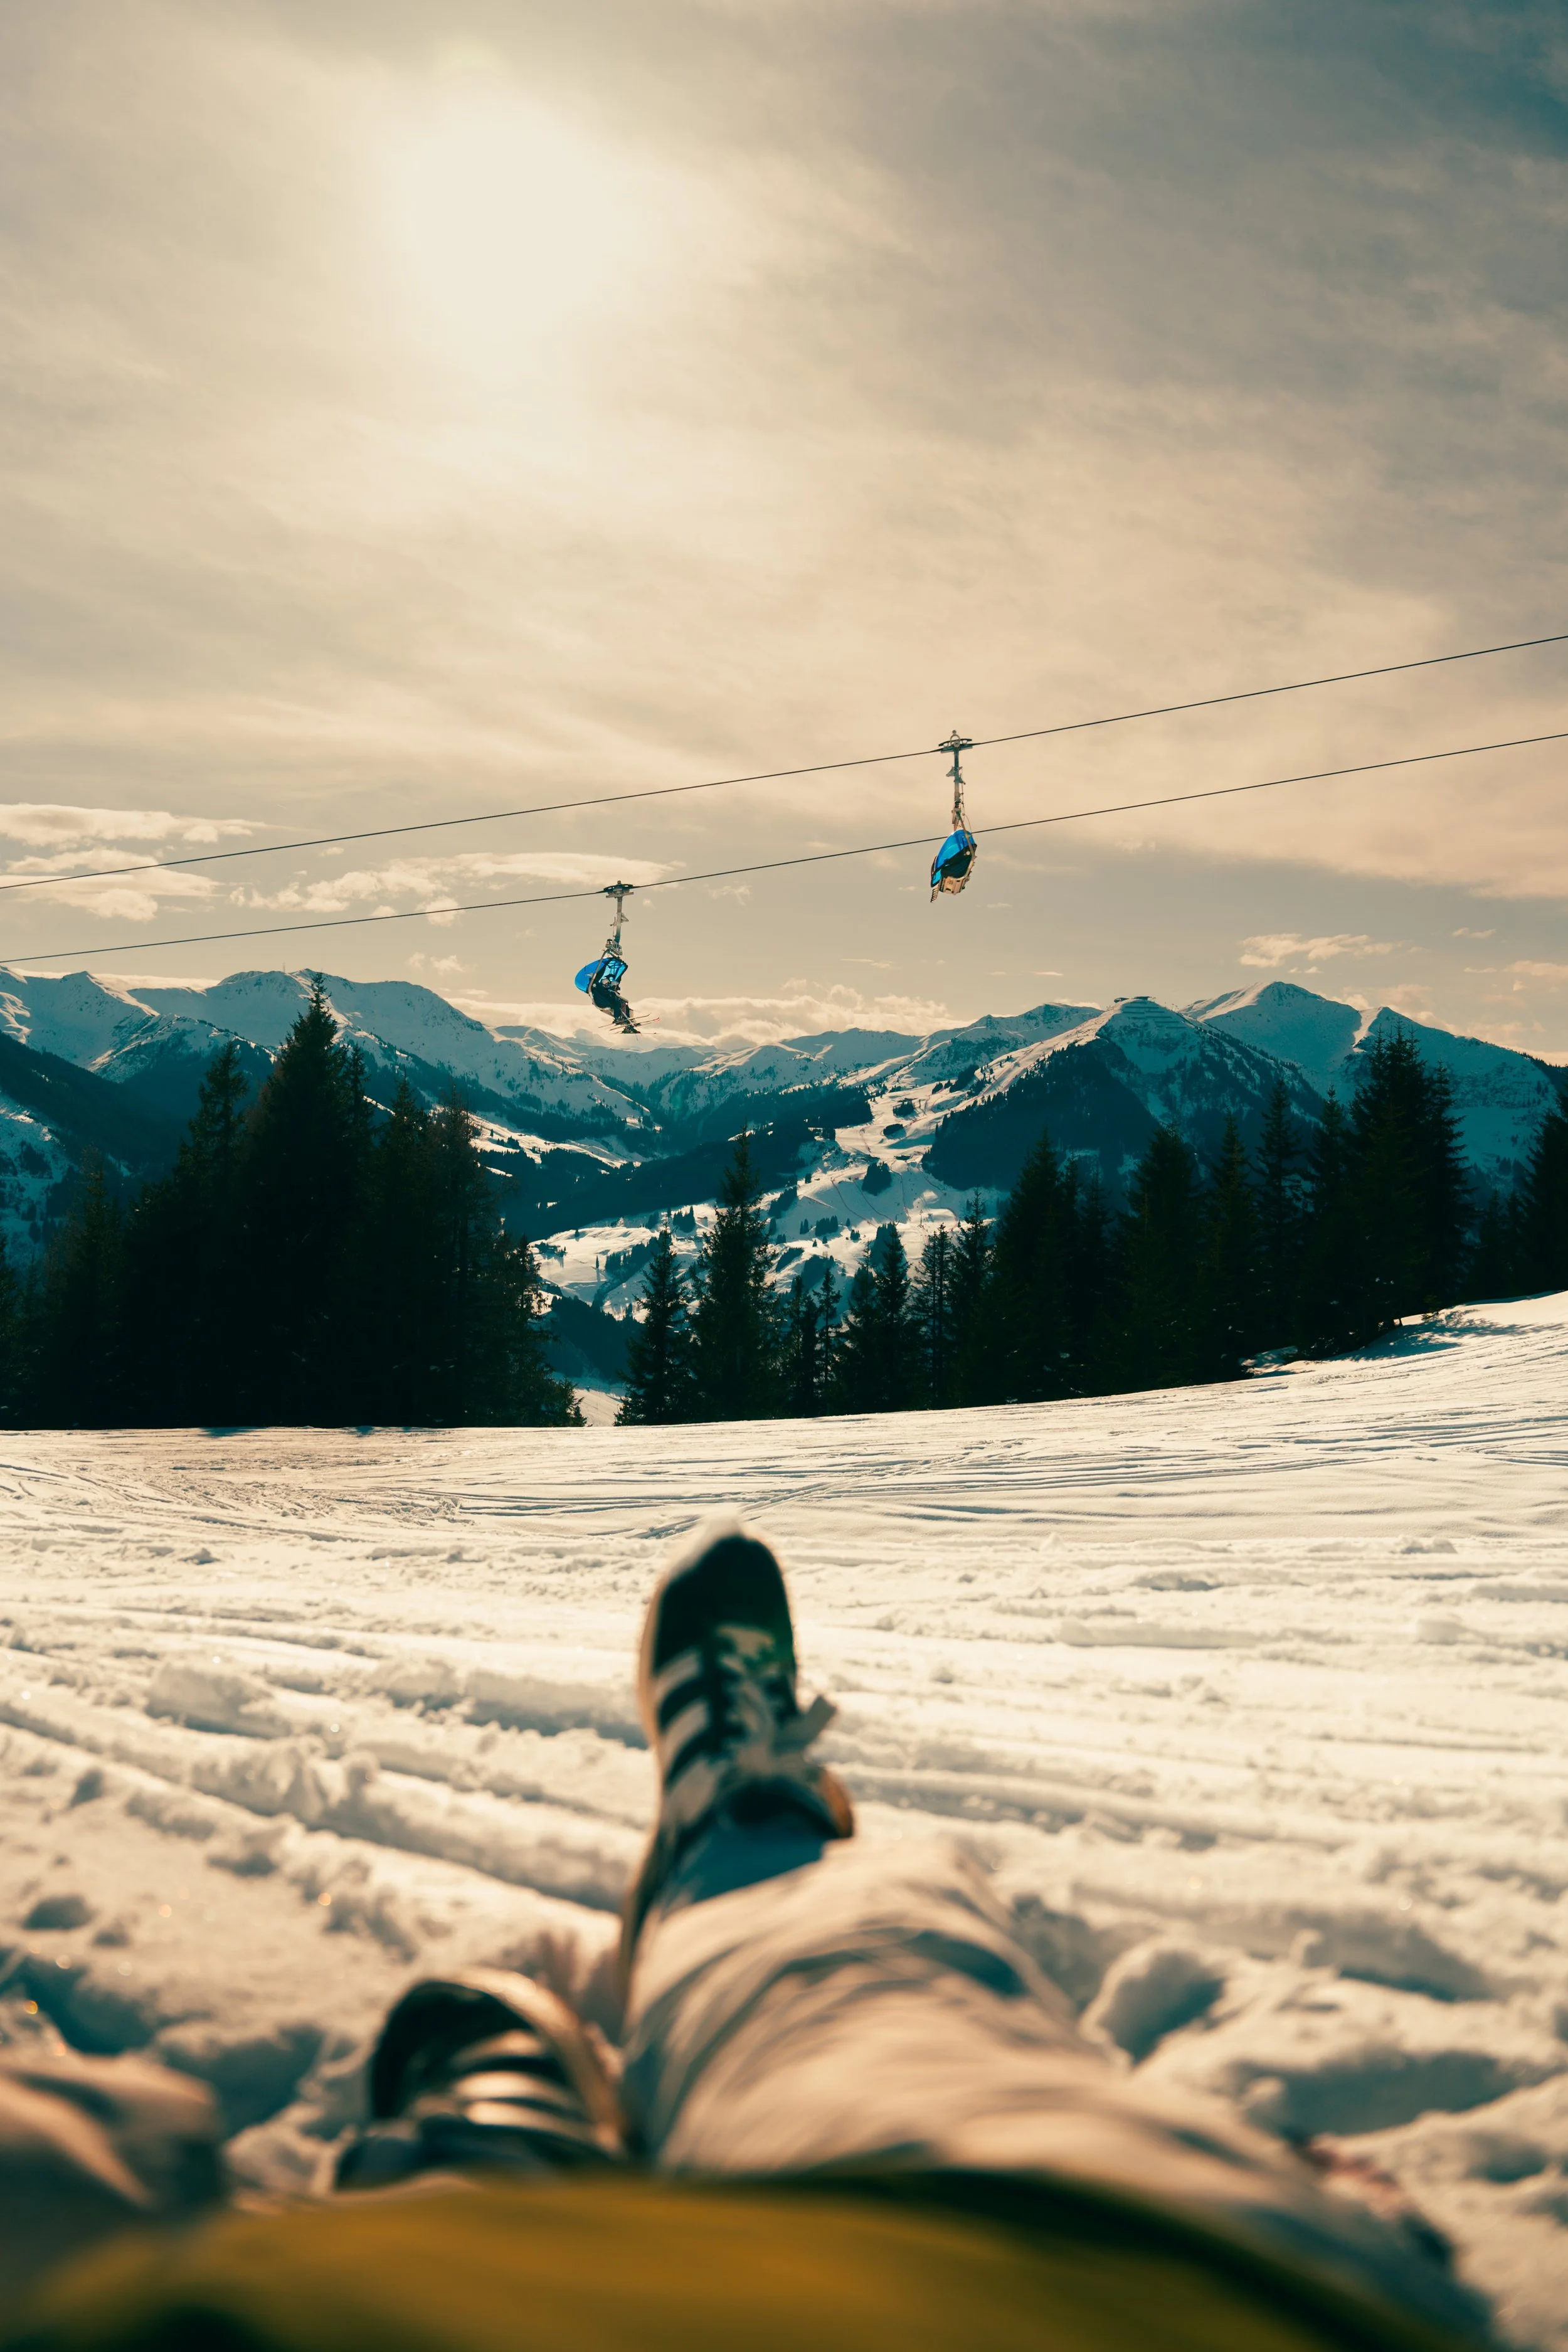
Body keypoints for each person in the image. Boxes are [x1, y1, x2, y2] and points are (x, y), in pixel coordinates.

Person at [2, 1522, 1491, 2351]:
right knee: (874, 1963)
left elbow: (93, 2167)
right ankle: (741, 1850)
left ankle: (506, 2169)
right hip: (1124, 2279)